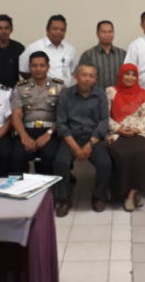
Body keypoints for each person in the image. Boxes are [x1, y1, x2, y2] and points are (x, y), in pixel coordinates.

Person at [54, 64, 112, 217]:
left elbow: (103, 121)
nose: (87, 79)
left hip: (93, 137)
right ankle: (64, 199)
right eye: (84, 75)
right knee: (60, 162)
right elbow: (61, 123)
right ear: (76, 76)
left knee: (105, 164)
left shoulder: (100, 95)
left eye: (91, 76)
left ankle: (99, 196)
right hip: (70, 138)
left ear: (95, 79)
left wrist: (90, 143)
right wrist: (75, 147)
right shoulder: (66, 94)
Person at [105, 63, 145, 212]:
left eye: (134, 74)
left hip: (138, 132)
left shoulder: (143, 93)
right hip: (117, 133)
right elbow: (104, 116)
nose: (130, 77)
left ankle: (132, 194)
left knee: (142, 151)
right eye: (127, 74)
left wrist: (136, 129)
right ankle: (120, 191)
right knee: (122, 153)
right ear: (121, 75)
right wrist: (119, 129)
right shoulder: (111, 91)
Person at [10, 51, 64, 175]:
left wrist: (48, 134)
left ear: (48, 67)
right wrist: (24, 136)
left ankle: (48, 192)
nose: (38, 69)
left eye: (42, 65)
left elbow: (62, 115)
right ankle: (20, 189)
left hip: (50, 131)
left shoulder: (59, 86)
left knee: (49, 156)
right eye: (34, 66)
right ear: (29, 67)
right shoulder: (20, 87)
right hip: (27, 130)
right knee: (16, 156)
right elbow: (16, 115)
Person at [19, 14, 76, 86]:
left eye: (62, 30)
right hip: (43, 93)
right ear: (47, 30)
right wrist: (37, 83)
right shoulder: (34, 47)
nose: (58, 32)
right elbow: (23, 70)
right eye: (55, 29)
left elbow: (71, 71)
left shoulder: (70, 49)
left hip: (65, 93)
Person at [78, 20, 127, 90]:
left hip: (118, 97)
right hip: (94, 97)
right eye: (104, 32)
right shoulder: (88, 55)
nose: (107, 35)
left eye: (110, 32)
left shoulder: (122, 54)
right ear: (97, 34)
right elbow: (81, 79)